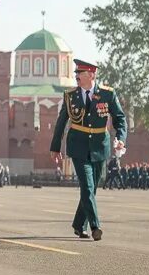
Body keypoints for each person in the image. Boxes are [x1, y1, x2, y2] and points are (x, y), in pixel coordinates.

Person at [49, 59, 126, 242]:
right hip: (78, 145)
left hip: (100, 145)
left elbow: (120, 119)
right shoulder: (70, 96)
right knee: (87, 186)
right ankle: (95, 226)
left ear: (91, 75)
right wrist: (55, 147)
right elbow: (61, 123)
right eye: (75, 73)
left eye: (80, 73)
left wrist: (121, 139)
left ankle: (78, 224)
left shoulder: (108, 94)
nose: (76, 76)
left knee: (92, 189)